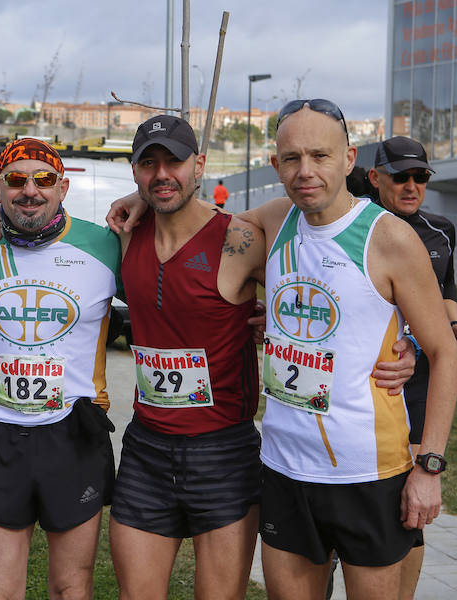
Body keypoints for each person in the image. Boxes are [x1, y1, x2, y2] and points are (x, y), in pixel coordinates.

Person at [242, 100, 457, 599]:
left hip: (368, 471)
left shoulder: (389, 239)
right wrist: (141, 199)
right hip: (284, 468)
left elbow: (444, 354)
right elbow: (193, 216)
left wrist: (429, 467)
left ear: (349, 159)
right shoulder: (274, 222)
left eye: (320, 155)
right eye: (292, 158)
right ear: (276, 165)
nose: (306, 171)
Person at [0, 138, 119, 600]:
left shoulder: (104, 246)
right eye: (16, 180)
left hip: (74, 433)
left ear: (63, 188)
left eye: (43, 180)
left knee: (71, 586)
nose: (30, 191)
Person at [104, 115, 265, 599]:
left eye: (174, 161)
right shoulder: (124, 233)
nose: (161, 174)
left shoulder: (241, 240)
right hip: (146, 449)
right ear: (134, 171)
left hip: (223, 452)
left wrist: (405, 341)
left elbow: (319, 266)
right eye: (148, 164)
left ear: (200, 165)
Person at [367, 135, 457, 600]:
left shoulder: (441, 230)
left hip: (418, 386)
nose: (412, 186)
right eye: (401, 177)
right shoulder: (356, 224)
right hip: (368, 381)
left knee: (409, 512)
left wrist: (452, 332)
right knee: (352, 507)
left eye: (421, 177)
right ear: (375, 178)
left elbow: (445, 291)